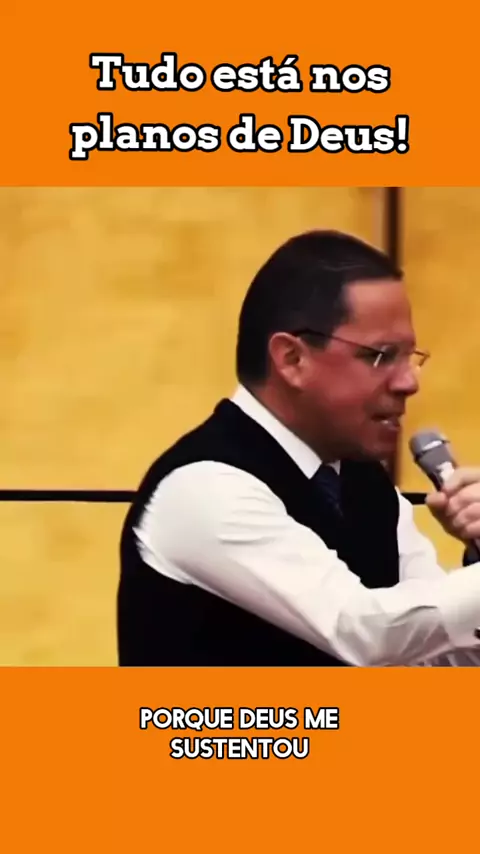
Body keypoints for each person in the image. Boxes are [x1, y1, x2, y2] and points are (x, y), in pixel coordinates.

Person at [117, 229, 480, 667]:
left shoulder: (364, 482)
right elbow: (364, 633)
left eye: (411, 357)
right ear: (292, 359)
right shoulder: (205, 487)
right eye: (381, 356)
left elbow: (433, 661)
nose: (409, 382)